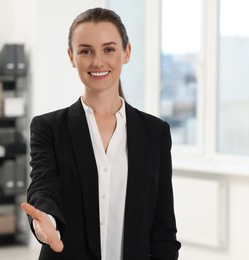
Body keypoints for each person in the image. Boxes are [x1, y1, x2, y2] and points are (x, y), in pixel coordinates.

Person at [21, 7, 181, 260]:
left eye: (109, 49)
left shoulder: (155, 133)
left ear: (126, 53)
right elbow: (44, 186)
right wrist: (46, 222)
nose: (98, 61)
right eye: (86, 51)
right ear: (71, 57)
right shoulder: (48, 128)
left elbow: (163, 227)